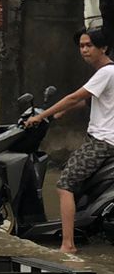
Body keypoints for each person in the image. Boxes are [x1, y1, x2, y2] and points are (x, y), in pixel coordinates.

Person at [26, 26, 114, 258]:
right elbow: (86, 102)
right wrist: (60, 114)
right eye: (81, 46)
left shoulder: (106, 72)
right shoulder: (106, 73)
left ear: (103, 47)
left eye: (89, 46)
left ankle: (68, 245)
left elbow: (75, 97)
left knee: (64, 186)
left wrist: (40, 116)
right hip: (102, 139)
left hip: (103, 141)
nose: (84, 50)